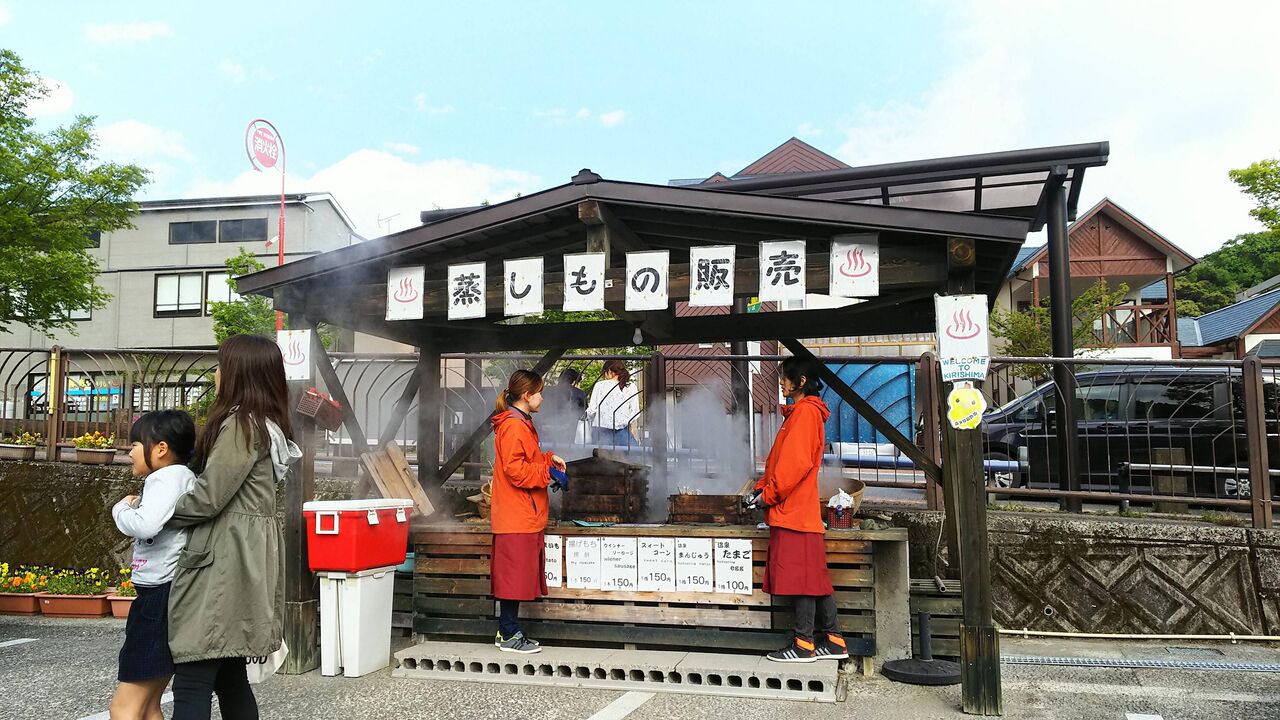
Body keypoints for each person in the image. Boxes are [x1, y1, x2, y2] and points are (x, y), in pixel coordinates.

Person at [165, 334, 301, 719]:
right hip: (244, 556)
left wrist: (156, 514)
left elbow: (209, 497)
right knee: (229, 675)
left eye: (221, 366)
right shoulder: (265, 424)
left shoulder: (241, 425)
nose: (216, 374)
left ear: (239, 373)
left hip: (224, 559)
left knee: (193, 675)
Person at [749, 356, 848, 663]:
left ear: (801, 381)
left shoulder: (804, 413)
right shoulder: (803, 413)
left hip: (793, 512)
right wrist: (761, 488)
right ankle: (834, 640)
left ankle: (804, 644)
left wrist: (768, 495)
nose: (782, 382)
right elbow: (782, 462)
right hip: (799, 511)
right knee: (813, 578)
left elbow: (793, 465)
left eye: (786, 377)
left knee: (802, 580)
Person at [110, 410, 198, 720]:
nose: (130, 452)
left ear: (161, 448)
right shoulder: (183, 477)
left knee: (123, 708)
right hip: (169, 594)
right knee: (148, 707)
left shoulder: (166, 478)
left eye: (135, 444)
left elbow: (146, 525)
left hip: (157, 599)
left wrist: (121, 508)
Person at [489, 369, 567, 653]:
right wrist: (548, 473)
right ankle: (509, 635)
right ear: (526, 395)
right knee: (513, 578)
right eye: (540, 393)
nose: (542, 398)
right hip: (517, 514)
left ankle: (508, 632)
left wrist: (548, 459)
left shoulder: (519, 423)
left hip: (520, 513)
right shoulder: (514, 426)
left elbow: (526, 460)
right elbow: (516, 470)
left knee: (515, 576)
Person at [586, 360, 640, 448]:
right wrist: (624, 422)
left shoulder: (599, 385)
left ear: (609, 371)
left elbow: (591, 410)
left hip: (600, 431)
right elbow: (635, 412)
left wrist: (590, 421)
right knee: (635, 454)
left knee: (599, 455)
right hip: (622, 431)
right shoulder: (631, 386)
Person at [540, 368, 586, 445]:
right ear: (574, 381)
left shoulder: (546, 390)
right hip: (568, 431)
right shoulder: (579, 393)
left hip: (545, 428)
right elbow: (583, 413)